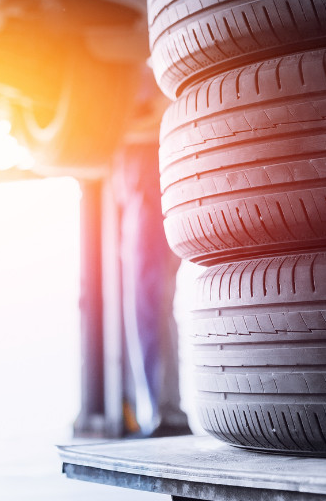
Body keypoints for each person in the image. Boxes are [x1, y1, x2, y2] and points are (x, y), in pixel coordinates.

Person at [112, 72, 191, 438]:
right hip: (138, 172)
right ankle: (160, 409)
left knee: (149, 299)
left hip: (149, 167)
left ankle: (164, 412)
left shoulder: (146, 72)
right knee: (148, 300)